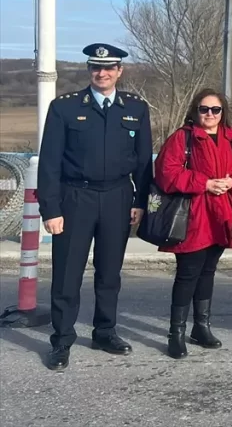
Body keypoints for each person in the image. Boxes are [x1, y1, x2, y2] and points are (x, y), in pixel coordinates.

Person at [36, 43, 153, 371]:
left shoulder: (135, 108)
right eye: (95, 68)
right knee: (67, 274)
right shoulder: (65, 108)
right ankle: (61, 340)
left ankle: (105, 331)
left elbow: (144, 163)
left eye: (109, 68)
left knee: (109, 273)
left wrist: (141, 202)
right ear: (89, 71)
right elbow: (49, 163)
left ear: (119, 71)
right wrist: (51, 209)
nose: (102, 73)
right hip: (75, 198)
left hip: (117, 198)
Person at [153, 89, 232, 359]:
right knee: (188, 273)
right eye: (204, 109)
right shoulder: (183, 138)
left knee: (208, 271)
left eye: (215, 109)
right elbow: (167, 174)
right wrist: (205, 183)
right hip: (194, 216)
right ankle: (176, 333)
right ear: (195, 111)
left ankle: (201, 326)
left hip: (223, 215)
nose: (209, 114)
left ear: (223, 112)